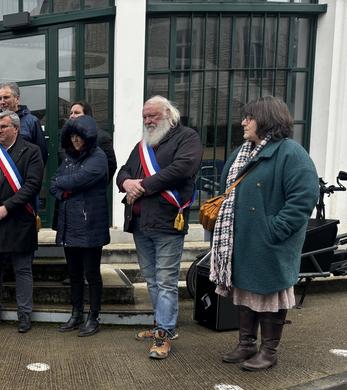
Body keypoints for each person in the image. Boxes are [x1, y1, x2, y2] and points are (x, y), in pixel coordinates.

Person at [210, 96, 318, 371]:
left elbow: (303, 199)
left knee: (269, 296)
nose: (243, 122)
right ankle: (247, 344)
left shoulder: (292, 154)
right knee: (245, 292)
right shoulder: (243, 152)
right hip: (243, 240)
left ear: (267, 120)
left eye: (249, 117)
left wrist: (274, 229)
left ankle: (269, 351)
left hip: (269, 242)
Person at [116, 96, 203, 359]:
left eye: (152, 116)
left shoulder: (187, 138)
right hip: (141, 223)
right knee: (152, 279)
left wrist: (142, 185)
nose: (148, 121)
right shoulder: (142, 144)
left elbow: (181, 169)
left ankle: (165, 333)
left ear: (169, 115)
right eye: (145, 117)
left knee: (165, 281)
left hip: (167, 222)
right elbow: (123, 171)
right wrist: (127, 183)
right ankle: (160, 326)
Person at [0, 110, 44, 333]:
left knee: (22, 269)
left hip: (19, 219)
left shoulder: (31, 152)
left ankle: (24, 315)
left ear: (16, 128)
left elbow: (32, 186)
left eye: (3, 127)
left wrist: (6, 207)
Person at [49, 115, 109, 337]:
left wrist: (65, 185)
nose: (75, 141)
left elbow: (76, 180)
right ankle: (77, 313)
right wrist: (65, 186)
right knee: (74, 273)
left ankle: (94, 317)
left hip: (90, 224)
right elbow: (53, 184)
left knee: (91, 274)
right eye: (72, 136)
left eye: (79, 136)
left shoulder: (98, 157)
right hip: (69, 225)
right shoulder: (68, 159)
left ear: (88, 137)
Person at [0, 82, 48, 163]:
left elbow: (42, 154)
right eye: (0, 98)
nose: (2, 102)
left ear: (17, 99)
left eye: (6, 97)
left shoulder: (32, 121)